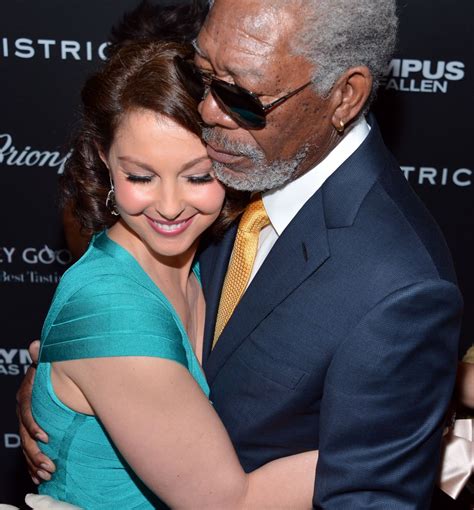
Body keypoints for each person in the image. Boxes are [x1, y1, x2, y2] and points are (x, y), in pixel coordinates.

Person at [19, 0, 463, 508]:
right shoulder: (237, 163)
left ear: (344, 96)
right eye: (201, 73)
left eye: (242, 95)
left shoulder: (398, 285)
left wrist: (394, 444)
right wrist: (64, 386)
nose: (209, 110)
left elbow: (371, 488)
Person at [20, 39, 318, 509]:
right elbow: (228, 504)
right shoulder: (113, 308)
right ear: (104, 159)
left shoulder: (219, 258)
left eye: (198, 177)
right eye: (141, 176)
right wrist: (392, 435)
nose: (170, 206)